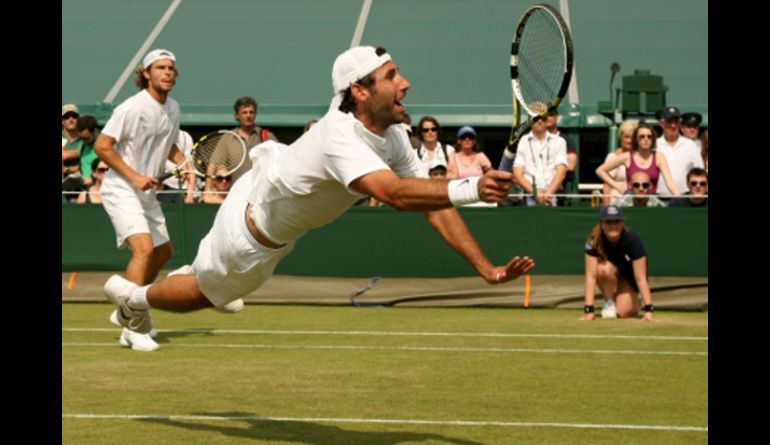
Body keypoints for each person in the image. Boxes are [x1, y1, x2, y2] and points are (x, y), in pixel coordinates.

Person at [103, 45, 535, 351]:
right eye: (391, 77)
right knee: (204, 293)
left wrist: (486, 269)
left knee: (201, 272)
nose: (405, 83)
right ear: (360, 92)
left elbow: (432, 204)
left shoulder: (394, 137)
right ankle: (132, 300)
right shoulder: (338, 135)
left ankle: (187, 275)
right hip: (248, 236)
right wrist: (472, 187)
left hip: (260, 189)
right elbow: (395, 195)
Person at [94, 48, 189, 347]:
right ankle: (133, 327)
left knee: (163, 254)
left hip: (147, 192)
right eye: (160, 67)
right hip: (121, 187)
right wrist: (134, 176)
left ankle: (130, 311)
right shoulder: (131, 108)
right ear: (146, 73)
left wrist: (183, 163)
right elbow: (102, 146)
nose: (167, 72)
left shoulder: (173, 108)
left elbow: (169, 145)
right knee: (145, 250)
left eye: (171, 68)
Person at [580, 206, 655, 322]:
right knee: (602, 269)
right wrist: (589, 311)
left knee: (622, 313)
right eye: (608, 222)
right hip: (609, 274)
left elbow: (641, 278)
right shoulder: (593, 240)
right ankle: (609, 302)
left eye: (617, 221)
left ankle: (636, 301)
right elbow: (590, 277)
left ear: (622, 223)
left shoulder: (633, 241)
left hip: (629, 278)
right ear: (601, 223)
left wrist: (649, 310)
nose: (613, 226)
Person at [595, 122, 680, 199]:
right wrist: (616, 185)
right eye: (642, 136)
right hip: (630, 203)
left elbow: (670, 183)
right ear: (636, 139)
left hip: (651, 204)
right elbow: (600, 170)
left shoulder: (659, 156)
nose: (646, 139)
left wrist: (681, 199)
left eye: (649, 136)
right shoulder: (626, 157)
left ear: (653, 139)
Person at [228, 96, 279, 184]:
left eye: (251, 112)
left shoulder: (267, 136)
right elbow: (213, 166)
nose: (248, 116)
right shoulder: (228, 138)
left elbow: (280, 162)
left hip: (260, 191)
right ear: (237, 115)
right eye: (244, 112)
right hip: (236, 192)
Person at [655, 106, 703, 199]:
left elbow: (699, 172)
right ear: (662, 124)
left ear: (680, 124)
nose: (673, 125)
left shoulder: (690, 145)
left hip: (685, 197)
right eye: (669, 122)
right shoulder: (655, 145)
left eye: (676, 122)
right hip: (659, 197)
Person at [601, 120, 637, 205]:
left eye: (633, 137)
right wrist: (607, 207)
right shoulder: (613, 157)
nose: (630, 140)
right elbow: (607, 186)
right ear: (620, 137)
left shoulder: (641, 156)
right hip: (617, 203)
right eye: (627, 137)